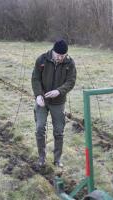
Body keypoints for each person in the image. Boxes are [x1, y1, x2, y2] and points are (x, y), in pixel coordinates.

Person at [31, 39, 77, 167]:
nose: (61, 58)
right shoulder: (42, 60)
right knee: (40, 128)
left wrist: (59, 91)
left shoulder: (69, 63)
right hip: (42, 101)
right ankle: (41, 158)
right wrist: (38, 95)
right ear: (53, 52)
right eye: (58, 55)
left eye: (63, 56)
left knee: (59, 131)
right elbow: (35, 79)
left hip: (58, 102)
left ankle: (57, 160)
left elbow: (71, 81)